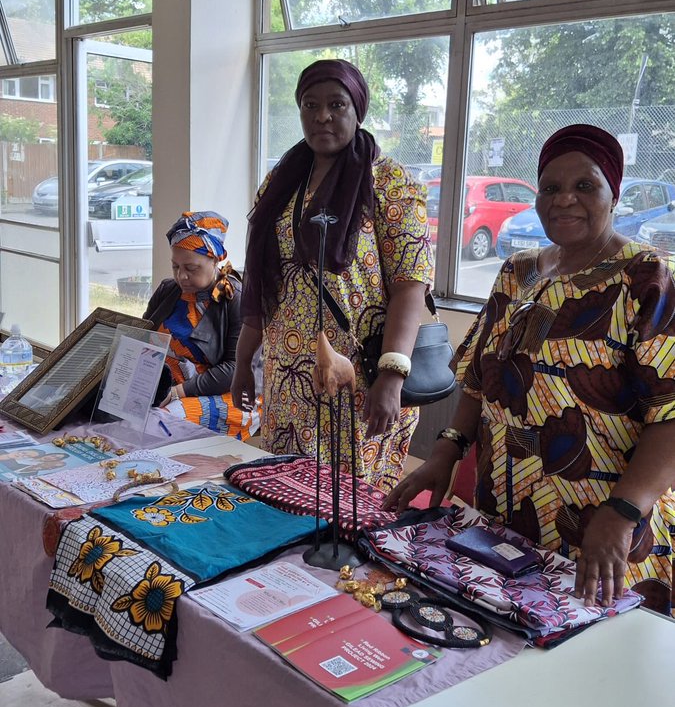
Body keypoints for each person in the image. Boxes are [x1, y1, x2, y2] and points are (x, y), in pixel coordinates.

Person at [385, 125, 675, 614]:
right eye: (550, 187)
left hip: (603, 530)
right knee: (499, 633)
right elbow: (477, 380)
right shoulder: (517, 272)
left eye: (585, 185)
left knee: (592, 648)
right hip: (503, 513)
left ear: (614, 194)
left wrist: (624, 511)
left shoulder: (649, 279)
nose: (564, 199)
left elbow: (670, 414)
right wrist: (445, 452)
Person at [231, 58, 434, 494]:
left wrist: (391, 377)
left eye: (336, 104)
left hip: (358, 380)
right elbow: (265, 281)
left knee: (352, 504)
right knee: (288, 495)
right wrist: (244, 360)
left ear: (357, 109)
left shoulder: (389, 182)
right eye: (310, 105)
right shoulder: (281, 182)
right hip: (289, 379)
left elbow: (410, 285)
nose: (322, 115)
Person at [144, 212, 260, 439]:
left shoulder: (235, 299)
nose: (181, 276)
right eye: (175, 267)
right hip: (166, 386)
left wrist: (177, 392)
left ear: (215, 260)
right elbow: (142, 336)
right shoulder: (167, 290)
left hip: (229, 393)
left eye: (191, 268)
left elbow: (234, 368)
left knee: (159, 423)